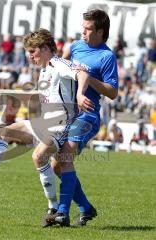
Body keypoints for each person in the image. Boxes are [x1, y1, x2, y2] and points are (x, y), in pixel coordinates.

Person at [0, 29, 94, 226]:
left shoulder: (59, 64)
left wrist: (80, 94)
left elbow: (82, 73)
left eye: (33, 51)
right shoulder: (43, 69)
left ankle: (53, 207)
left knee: (39, 157)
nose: (30, 56)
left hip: (61, 126)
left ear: (45, 48)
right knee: (3, 132)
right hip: (43, 123)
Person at [45, 9, 118, 227]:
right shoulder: (75, 47)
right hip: (67, 113)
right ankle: (86, 208)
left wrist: (88, 79)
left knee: (66, 154)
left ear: (100, 31)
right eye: (83, 28)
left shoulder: (107, 57)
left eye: (88, 29)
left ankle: (62, 212)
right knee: (56, 164)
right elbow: (62, 69)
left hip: (88, 114)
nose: (83, 33)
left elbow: (112, 92)